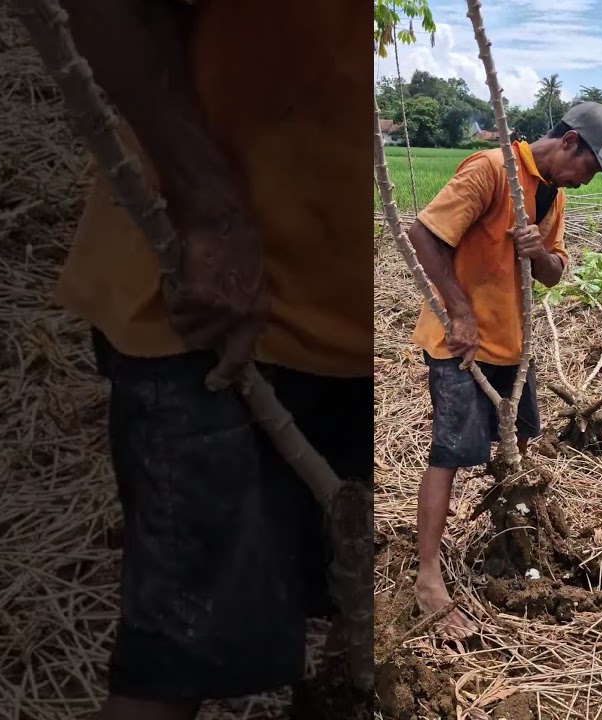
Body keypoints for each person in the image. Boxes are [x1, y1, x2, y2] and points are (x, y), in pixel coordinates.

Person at [52, 2, 372, 719]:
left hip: (359, 335)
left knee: (355, 627)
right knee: (170, 667)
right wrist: (211, 209)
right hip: (211, 303)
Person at [406, 101, 602, 639]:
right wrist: (459, 312)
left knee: (521, 443)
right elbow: (423, 233)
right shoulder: (491, 169)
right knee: (451, 453)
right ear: (569, 142)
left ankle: (517, 539)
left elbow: (553, 272)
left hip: (511, 347)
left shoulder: (553, 195)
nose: (587, 181)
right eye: (590, 167)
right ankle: (428, 577)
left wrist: (537, 253)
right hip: (460, 343)